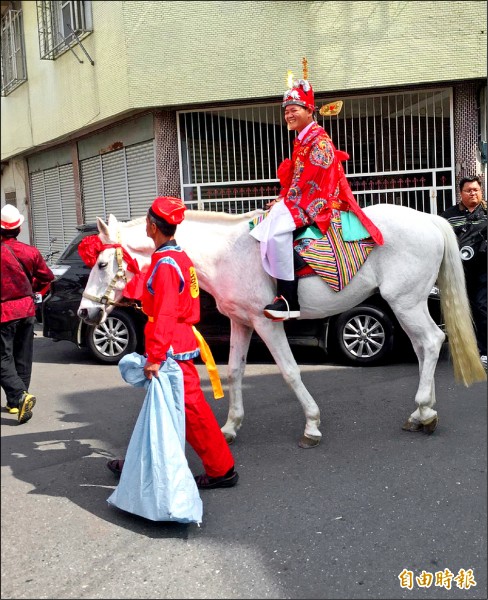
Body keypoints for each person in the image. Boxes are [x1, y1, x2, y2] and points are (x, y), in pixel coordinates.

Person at [106, 196, 239, 489]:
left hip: (169, 346)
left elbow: (165, 311)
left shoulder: (166, 264)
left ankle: (221, 469)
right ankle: (141, 463)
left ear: (152, 226)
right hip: (176, 341)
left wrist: (154, 355)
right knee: (166, 408)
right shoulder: (178, 256)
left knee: (190, 410)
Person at [250, 61, 384, 320]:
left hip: (318, 203)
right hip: (302, 199)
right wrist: (282, 198)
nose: (289, 114)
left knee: (276, 231)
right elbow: (298, 178)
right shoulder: (302, 139)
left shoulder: (319, 141)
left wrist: (287, 202)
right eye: (286, 110)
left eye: (294, 109)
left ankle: (288, 298)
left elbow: (315, 183)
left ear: (309, 110)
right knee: (266, 223)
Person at [1, 204, 54, 423]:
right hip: (26, 310)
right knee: (22, 355)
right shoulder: (31, 252)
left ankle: (19, 397)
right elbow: (46, 279)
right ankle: (16, 403)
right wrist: (31, 288)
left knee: (2, 358)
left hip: (4, 312)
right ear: (19, 229)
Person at [441, 176, 487, 367]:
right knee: (460, 311)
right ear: (461, 193)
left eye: (476, 189)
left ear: (481, 191)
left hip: (484, 270)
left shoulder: (486, 212)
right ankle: (466, 351)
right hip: (458, 271)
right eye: (468, 190)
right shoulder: (448, 216)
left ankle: (484, 352)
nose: (472, 193)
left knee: (482, 308)